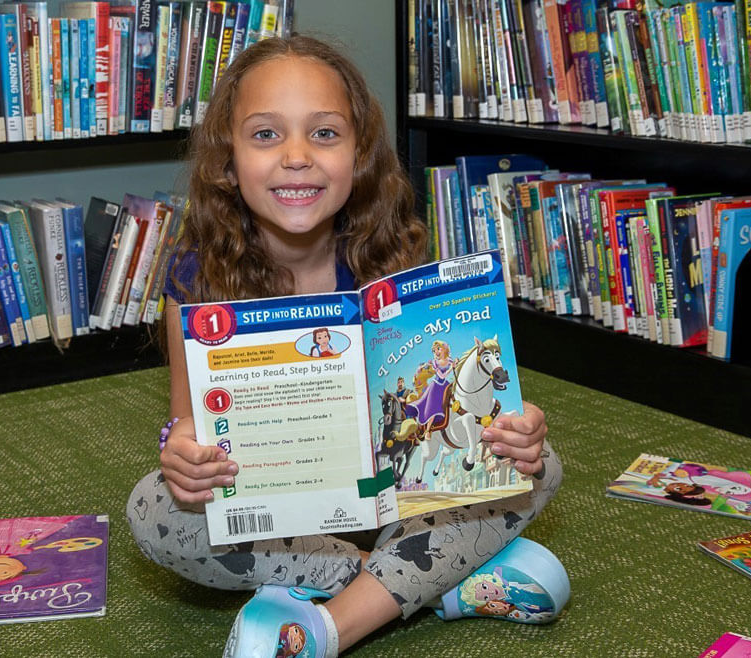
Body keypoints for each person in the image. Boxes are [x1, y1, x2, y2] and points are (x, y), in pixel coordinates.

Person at [126, 35, 563, 657]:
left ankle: (323, 631)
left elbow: (431, 418)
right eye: (266, 135)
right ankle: (430, 582)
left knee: (538, 467)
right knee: (155, 511)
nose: (297, 157)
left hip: (385, 503)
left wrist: (513, 436)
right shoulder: (196, 279)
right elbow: (188, 428)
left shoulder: (391, 261)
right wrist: (185, 461)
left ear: (359, 156)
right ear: (227, 161)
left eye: (325, 134)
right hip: (274, 508)